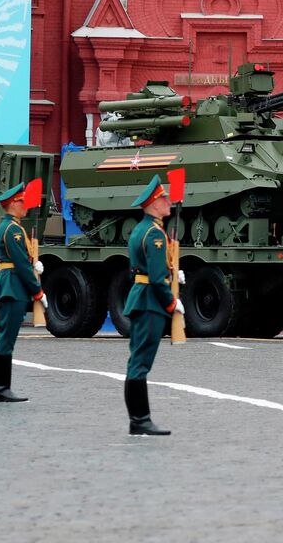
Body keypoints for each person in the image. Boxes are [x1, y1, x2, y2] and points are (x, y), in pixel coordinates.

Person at [122, 175, 182, 435]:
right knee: (140, 363)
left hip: (142, 296)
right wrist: (171, 304)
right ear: (154, 204)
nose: (169, 202)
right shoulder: (155, 234)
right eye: (164, 198)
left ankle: (139, 419)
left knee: (137, 360)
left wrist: (172, 272)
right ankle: (140, 420)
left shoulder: (141, 229)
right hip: (150, 301)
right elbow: (157, 279)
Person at [0, 183, 46, 402]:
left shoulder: (13, 226)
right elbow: (21, 264)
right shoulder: (12, 229)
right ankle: (1, 389)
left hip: (12, 285)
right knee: (6, 339)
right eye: (23, 201)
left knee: (7, 338)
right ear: (13, 203)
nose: (27, 206)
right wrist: (37, 291)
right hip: (13, 286)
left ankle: (2, 388)